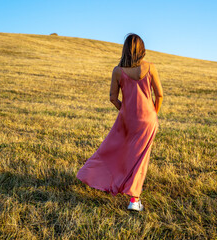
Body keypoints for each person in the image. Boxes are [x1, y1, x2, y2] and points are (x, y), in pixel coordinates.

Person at [76, 33, 163, 211]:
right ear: (142, 49)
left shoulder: (118, 71)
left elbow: (113, 99)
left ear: (125, 50)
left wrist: (126, 110)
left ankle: (100, 178)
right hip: (148, 120)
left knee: (113, 150)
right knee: (140, 158)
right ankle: (134, 200)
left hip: (127, 120)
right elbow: (160, 95)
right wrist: (153, 113)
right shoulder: (150, 67)